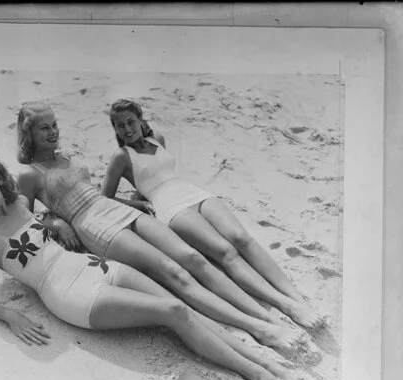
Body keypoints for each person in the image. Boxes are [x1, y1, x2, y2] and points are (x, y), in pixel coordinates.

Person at [0, 147, 312, 380]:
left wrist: (57, 221)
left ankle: (266, 356)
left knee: (183, 303)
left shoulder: (18, 205)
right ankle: (257, 373)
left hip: (93, 265)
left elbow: (44, 213)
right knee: (173, 312)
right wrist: (10, 315)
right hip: (69, 293)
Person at [15, 101, 315, 361]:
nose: (53, 132)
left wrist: (137, 203)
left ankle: (277, 309)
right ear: (29, 133)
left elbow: (97, 192)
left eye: (54, 125)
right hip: (92, 226)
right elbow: (25, 222)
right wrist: (56, 221)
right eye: (44, 128)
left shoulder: (65, 157)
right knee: (174, 274)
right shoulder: (29, 175)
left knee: (193, 259)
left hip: (115, 210)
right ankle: (261, 326)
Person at [104, 98, 325, 331]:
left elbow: (161, 171)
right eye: (120, 125)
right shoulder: (121, 156)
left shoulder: (157, 139)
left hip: (192, 192)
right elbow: (105, 196)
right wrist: (138, 204)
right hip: (169, 206)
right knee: (225, 252)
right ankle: (284, 306)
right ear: (115, 129)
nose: (127, 129)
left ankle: (296, 298)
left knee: (241, 239)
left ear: (140, 120)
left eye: (130, 122)